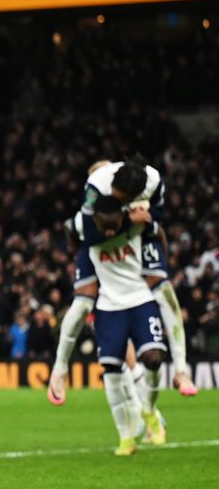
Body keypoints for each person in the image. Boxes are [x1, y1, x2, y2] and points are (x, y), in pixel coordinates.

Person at [49, 158, 196, 402]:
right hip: (97, 242)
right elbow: (84, 230)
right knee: (84, 301)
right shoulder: (97, 187)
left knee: (164, 291)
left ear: (134, 194)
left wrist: (151, 225)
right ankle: (60, 368)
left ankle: (181, 370)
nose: (113, 196)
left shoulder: (153, 181)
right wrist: (129, 222)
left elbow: (158, 213)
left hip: (135, 239)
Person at [60, 196, 169, 455]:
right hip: (110, 305)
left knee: (153, 358)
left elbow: (158, 233)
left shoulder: (137, 223)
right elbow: (69, 228)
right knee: (110, 367)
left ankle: (149, 410)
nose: (109, 233)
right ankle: (126, 437)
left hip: (140, 298)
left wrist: (164, 259)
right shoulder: (89, 233)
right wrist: (76, 251)